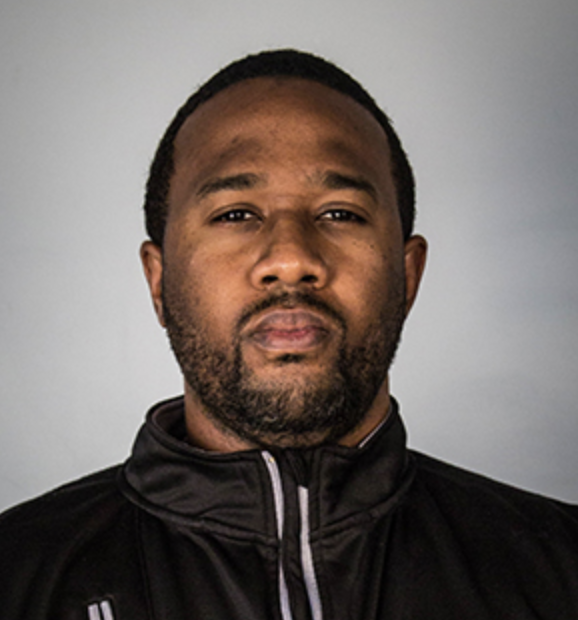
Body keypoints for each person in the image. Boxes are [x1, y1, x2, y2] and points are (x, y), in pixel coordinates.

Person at [1, 49, 577, 620]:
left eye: (340, 213)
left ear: (407, 276)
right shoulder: (15, 575)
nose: (291, 259)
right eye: (235, 214)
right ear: (159, 281)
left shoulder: (561, 571)